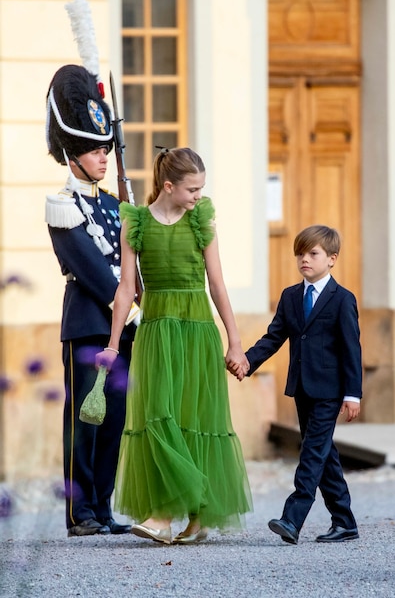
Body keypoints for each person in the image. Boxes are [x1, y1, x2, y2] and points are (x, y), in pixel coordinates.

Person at [96, 147, 253, 544]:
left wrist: (235, 344)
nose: (198, 195)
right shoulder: (135, 223)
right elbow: (126, 289)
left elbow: (217, 285)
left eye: (201, 188)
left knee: (196, 419)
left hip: (197, 329)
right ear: (168, 186)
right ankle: (165, 514)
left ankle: (191, 519)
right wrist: (113, 345)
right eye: (192, 189)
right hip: (155, 332)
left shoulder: (202, 221)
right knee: (159, 416)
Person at [45, 64, 136, 537]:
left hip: (121, 328)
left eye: (105, 149)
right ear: (73, 156)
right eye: (94, 151)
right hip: (88, 325)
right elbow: (95, 272)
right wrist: (130, 306)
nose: (103, 158)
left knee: (114, 419)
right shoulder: (61, 204)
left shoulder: (111, 203)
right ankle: (80, 513)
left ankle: (102, 507)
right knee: (85, 420)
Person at [240, 225, 362, 545]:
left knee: (311, 452)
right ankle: (345, 521)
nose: (304, 259)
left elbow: (352, 350)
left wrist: (353, 394)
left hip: (330, 391)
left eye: (313, 253)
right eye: (300, 254)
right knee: (324, 453)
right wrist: (248, 362)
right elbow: (274, 336)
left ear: (332, 259)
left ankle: (292, 519)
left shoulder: (342, 299)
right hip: (302, 388)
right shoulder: (291, 296)